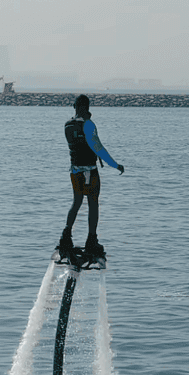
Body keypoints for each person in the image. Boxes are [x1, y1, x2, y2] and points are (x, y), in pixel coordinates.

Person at [56, 94, 124, 261]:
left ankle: (65, 237)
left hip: (74, 172)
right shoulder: (88, 125)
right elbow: (98, 148)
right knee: (93, 204)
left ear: (74, 106)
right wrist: (115, 165)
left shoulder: (67, 125)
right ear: (87, 107)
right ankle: (91, 240)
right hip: (90, 173)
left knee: (77, 202)